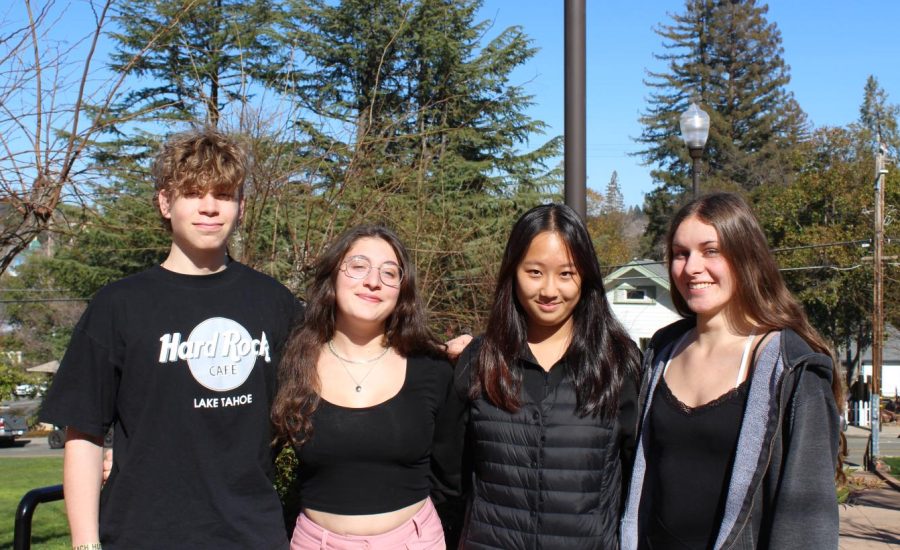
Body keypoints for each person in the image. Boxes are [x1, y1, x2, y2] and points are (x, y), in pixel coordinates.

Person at [40, 128, 302, 549]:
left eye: (224, 194)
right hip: (142, 534)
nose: (210, 208)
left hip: (252, 534)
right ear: (166, 202)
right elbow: (84, 435)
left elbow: (341, 365)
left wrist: (434, 348)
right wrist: (85, 545)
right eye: (194, 193)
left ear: (241, 207)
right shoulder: (119, 305)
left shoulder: (275, 303)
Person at [620, 192, 844, 550]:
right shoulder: (661, 352)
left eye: (711, 251)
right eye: (681, 254)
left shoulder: (794, 369)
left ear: (745, 257)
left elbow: (808, 520)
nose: (692, 267)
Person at [450, 203, 641, 549]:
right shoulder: (479, 360)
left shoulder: (619, 364)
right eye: (535, 272)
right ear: (513, 273)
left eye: (566, 273)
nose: (550, 290)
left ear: (586, 277)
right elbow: (449, 479)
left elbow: (637, 477)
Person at [270, 224, 460, 550]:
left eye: (389, 273)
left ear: (403, 289)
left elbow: (452, 475)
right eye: (358, 266)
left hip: (415, 542)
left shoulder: (433, 368)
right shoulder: (293, 364)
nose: (373, 281)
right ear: (333, 275)